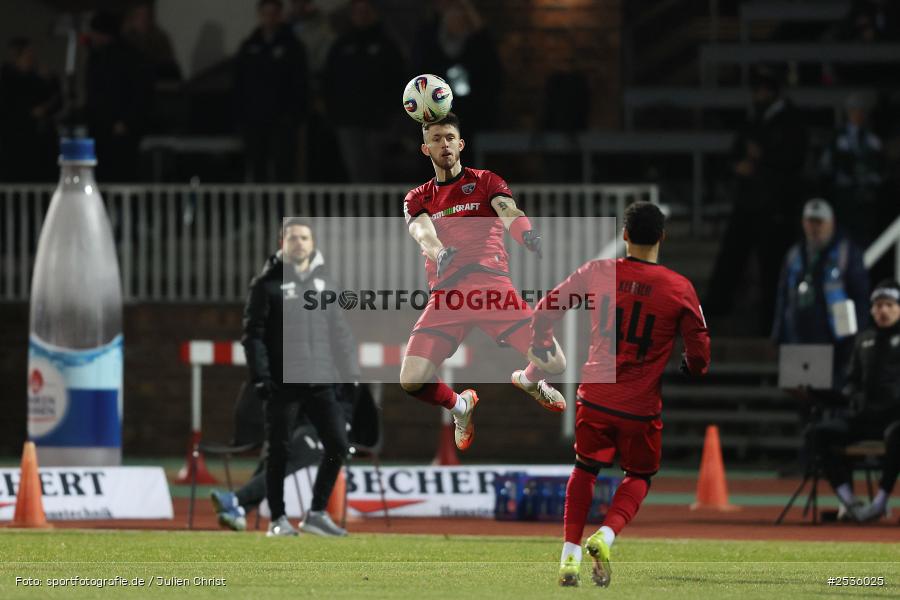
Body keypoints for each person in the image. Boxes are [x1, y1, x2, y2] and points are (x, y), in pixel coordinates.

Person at [528, 202, 710, 587]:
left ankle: (568, 558)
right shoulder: (679, 288)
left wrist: (543, 346)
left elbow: (545, 309)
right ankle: (606, 535)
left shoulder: (598, 271)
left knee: (585, 469)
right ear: (662, 237)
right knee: (640, 475)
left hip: (594, 395)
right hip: (640, 406)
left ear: (624, 235)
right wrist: (692, 368)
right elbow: (700, 351)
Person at [399, 112, 568, 452]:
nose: (444, 144)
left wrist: (526, 234)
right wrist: (437, 251)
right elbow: (420, 231)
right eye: (436, 139)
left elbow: (509, 211)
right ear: (425, 148)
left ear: (460, 144)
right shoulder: (418, 197)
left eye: (449, 137)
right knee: (411, 380)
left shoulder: (487, 181)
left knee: (556, 364)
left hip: (492, 291)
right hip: (447, 297)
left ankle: (529, 381)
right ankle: (461, 406)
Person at [242, 218, 360, 537]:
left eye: (304, 237)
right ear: (282, 243)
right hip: (282, 385)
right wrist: (261, 378)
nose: (299, 243)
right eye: (292, 237)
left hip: (321, 382)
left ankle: (316, 513)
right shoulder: (266, 285)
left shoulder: (326, 284)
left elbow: (340, 333)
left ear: (313, 243)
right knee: (278, 451)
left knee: (338, 443)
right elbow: (252, 337)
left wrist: (350, 374)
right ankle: (278, 519)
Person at [705, 65, 808, 334]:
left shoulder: (791, 121)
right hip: (749, 202)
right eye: (756, 89)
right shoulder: (753, 121)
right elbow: (734, 155)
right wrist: (739, 166)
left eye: (763, 89)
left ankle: (770, 324)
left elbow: (792, 161)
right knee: (731, 257)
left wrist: (760, 161)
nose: (758, 94)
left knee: (772, 267)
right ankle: (714, 311)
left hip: (775, 206)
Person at [805, 280, 900, 522]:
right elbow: (852, 383)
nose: (883, 310)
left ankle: (879, 502)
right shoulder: (863, 340)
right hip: (864, 418)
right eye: (878, 305)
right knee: (818, 432)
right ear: (871, 310)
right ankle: (850, 503)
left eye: (889, 304)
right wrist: (823, 394)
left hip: (894, 419)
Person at [772, 199, 869, 391]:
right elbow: (783, 298)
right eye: (810, 221)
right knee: (801, 396)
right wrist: (778, 334)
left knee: (830, 396)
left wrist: (857, 336)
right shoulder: (795, 255)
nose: (815, 227)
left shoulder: (846, 252)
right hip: (799, 337)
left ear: (831, 222)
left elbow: (861, 296)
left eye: (819, 222)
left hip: (835, 339)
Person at [323, 0, 405, 182]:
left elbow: (397, 80)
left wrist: (391, 114)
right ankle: (361, 209)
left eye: (366, 11)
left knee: (375, 168)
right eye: (358, 12)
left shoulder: (386, 45)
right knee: (355, 168)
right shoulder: (341, 46)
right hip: (348, 120)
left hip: (377, 120)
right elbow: (329, 81)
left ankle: (377, 209)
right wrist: (333, 113)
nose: (362, 15)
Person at [234, 0, 308, 182]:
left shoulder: (292, 46)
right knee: (258, 169)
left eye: (274, 14)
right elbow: (239, 84)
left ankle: (283, 210)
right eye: (266, 14)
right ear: (259, 15)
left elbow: (300, 83)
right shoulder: (249, 46)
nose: (270, 18)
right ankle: (262, 210)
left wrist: (294, 115)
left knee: (284, 169)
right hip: (254, 121)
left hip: (282, 121)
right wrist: (241, 116)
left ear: (280, 15)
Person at [84, 10, 153, 182]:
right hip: (103, 127)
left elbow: (138, 93)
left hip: (118, 130)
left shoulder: (125, 57)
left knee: (120, 174)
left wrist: (126, 121)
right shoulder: (98, 57)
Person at [818, 92, 885, 245]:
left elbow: (880, 169)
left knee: (867, 237)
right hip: (845, 195)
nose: (858, 114)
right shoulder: (838, 139)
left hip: (868, 197)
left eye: (861, 110)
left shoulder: (873, 140)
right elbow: (826, 166)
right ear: (847, 113)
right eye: (854, 110)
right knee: (845, 236)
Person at [0, 38, 60, 182]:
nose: (32, 59)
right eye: (28, 55)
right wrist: (28, 113)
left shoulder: (38, 78)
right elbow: (7, 108)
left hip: (39, 141)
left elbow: (56, 101)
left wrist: (51, 81)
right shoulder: (6, 79)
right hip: (15, 141)